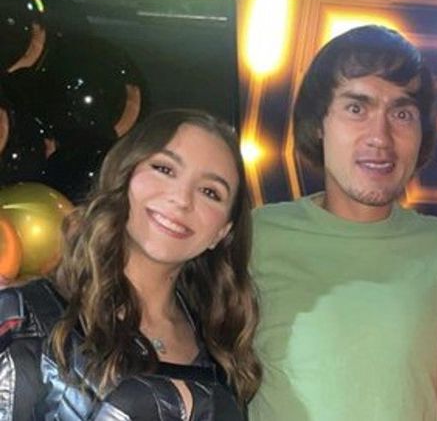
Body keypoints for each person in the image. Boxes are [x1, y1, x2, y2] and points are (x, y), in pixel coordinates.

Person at [249, 25, 437, 420]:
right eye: (356, 109)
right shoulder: (257, 236)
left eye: (401, 114)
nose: (380, 137)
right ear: (319, 123)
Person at [0, 109, 261, 419]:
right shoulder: (26, 317)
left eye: (210, 192)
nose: (182, 199)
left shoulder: (223, 345)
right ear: (124, 175)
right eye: (164, 169)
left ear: (222, 232)